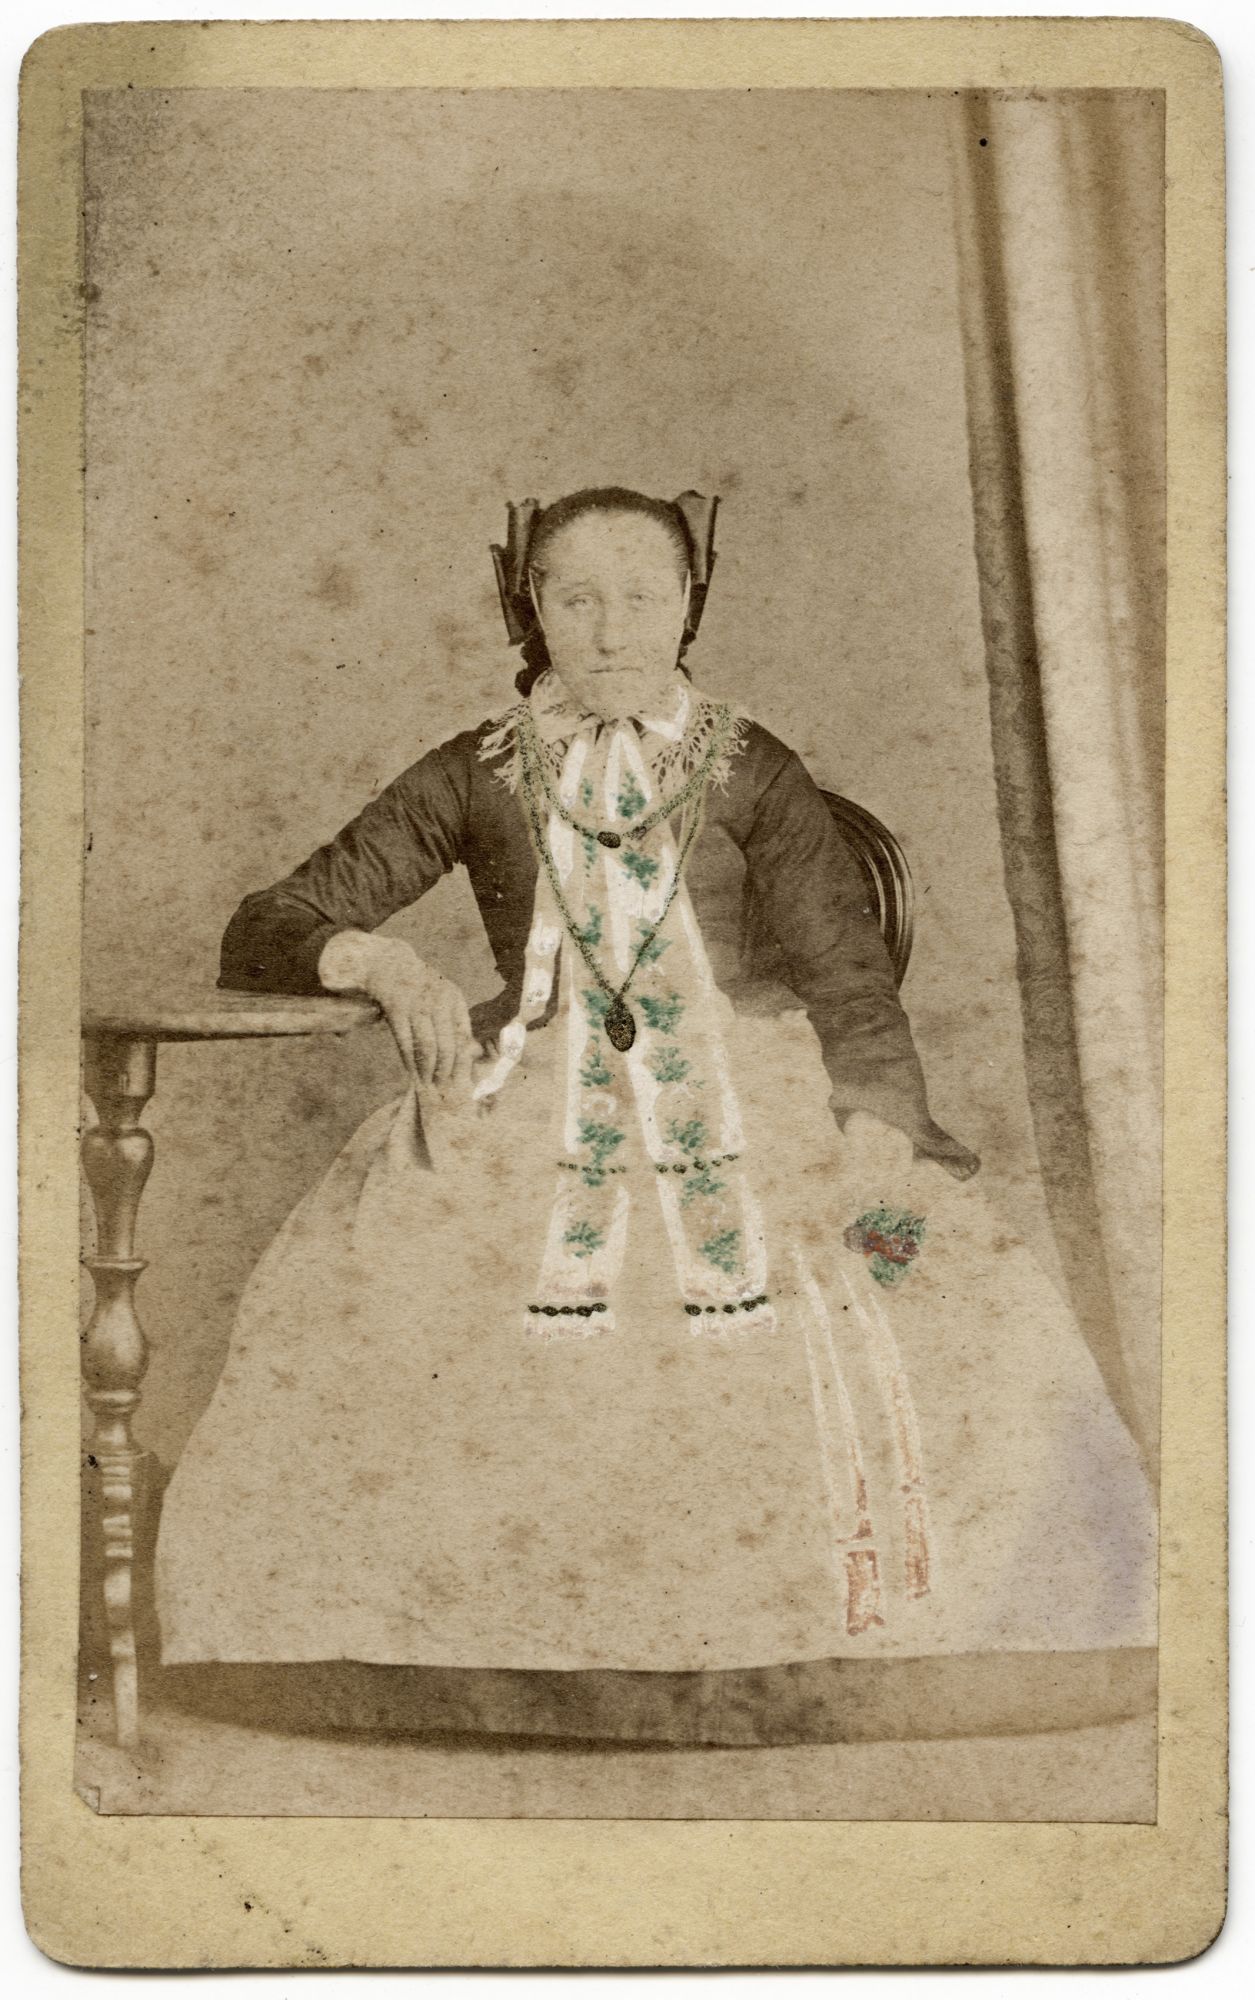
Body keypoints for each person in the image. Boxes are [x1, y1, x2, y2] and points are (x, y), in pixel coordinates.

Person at [153, 486, 1156, 1747]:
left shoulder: (753, 767)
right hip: (527, 1100)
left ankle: (829, 1660)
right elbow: (271, 921)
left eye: (643, 596)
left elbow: (850, 981)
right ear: (530, 606)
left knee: (890, 1295)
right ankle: (457, 1669)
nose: (612, 629)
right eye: (577, 598)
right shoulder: (477, 769)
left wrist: (875, 1135)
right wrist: (383, 963)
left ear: (689, 602)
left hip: (752, 1099)